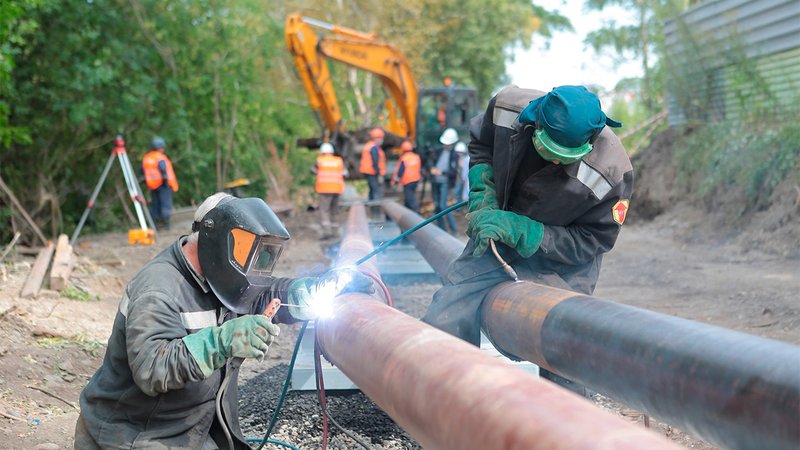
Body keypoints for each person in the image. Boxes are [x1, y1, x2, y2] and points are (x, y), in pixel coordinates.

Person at [74, 193, 372, 450]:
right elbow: (153, 368)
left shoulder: (219, 278)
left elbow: (261, 293)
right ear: (216, 241)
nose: (252, 270)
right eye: (248, 257)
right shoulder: (158, 288)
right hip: (135, 436)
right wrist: (222, 341)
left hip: (192, 427)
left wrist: (306, 291)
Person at [422, 85, 633, 366]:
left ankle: (565, 408)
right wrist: (483, 197)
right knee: (446, 314)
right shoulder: (506, 108)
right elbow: (481, 146)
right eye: (549, 150)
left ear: (591, 141)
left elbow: (592, 241)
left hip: (563, 262)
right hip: (496, 241)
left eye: (565, 157)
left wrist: (526, 231)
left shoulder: (611, 171)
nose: (555, 160)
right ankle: (444, 391)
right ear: (534, 124)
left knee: (561, 339)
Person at [427, 127, 460, 235]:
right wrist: (431, 168)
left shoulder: (454, 155)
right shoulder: (438, 151)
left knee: (443, 206)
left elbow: (453, 172)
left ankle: (454, 230)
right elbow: (430, 161)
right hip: (435, 182)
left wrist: (441, 173)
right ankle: (442, 230)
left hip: (444, 182)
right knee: (437, 206)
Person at [312, 142, 348, 238]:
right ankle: (335, 232)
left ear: (323, 152)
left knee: (324, 210)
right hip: (336, 189)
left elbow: (313, 170)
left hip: (324, 189)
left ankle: (327, 232)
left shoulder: (320, 160)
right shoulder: (339, 161)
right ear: (332, 151)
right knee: (334, 210)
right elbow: (345, 173)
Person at [142, 137, 179, 230]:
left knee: (155, 205)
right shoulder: (160, 157)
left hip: (152, 185)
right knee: (165, 205)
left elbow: (142, 172)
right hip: (163, 185)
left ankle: (153, 226)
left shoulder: (147, 158)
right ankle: (166, 226)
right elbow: (163, 169)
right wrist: (166, 182)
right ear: (160, 147)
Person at [391, 140, 422, 212]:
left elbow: (401, 171)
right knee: (408, 198)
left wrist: (396, 181)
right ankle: (406, 211)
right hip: (416, 180)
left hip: (407, 181)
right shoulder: (416, 157)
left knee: (410, 198)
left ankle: (417, 212)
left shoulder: (404, 158)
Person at [359, 127, 386, 201]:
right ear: (376, 138)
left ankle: (372, 206)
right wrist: (379, 173)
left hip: (368, 171)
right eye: (380, 138)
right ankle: (376, 210)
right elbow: (375, 161)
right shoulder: (373, 148)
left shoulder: (369, 146)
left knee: (372, 189)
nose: (381, 140)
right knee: (376, 190)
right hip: (372, 172)